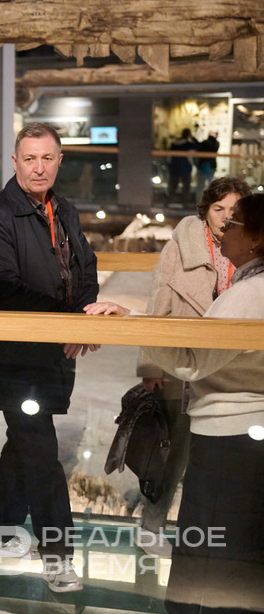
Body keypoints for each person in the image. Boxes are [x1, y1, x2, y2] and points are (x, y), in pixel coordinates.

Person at [88, 194, 264, 613]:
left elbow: (191, 359)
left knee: (210, 546)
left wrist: (130, 323)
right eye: (221, 215)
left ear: (256, 238)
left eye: (235, 222)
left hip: (227, 433)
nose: (225, 228)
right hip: (249, 431)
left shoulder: (247, 294)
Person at [0, 122, 99, 593]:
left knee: (24, 446)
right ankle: (58, 556)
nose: (39, 167)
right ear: (15, 162)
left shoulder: (64, 209)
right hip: (16, 359)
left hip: (53, 358)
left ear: (60, 161)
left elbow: (86, 268)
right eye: (30, 159)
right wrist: (70, 320)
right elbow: (5, 287)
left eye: (47, 158)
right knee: (43, 453)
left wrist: (85, 312)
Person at [135, 176, 250, 555]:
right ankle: (151, 527)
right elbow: (158, 304)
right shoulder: (182, 247)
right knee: (173, 451)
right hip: (180, 364)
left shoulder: (249, 250)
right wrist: (150, 365)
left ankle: (208, 536)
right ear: (206, 211)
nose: (226, 217)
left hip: (230, 368)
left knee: (218, 456)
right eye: (219, 209)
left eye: (234, 210)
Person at [167, 128, 197, 206]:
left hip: (174, 168)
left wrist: (169, 166)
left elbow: (169, 157)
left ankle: (169, 201)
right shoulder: (189, 145)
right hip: (185, 167)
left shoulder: (174, 144)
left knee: (173, 185)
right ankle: (185, 202)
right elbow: (196, 148)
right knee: (186, 186)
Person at [193, 132, 219, 200]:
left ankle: (199, 200)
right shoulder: (216, 143)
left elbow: (198, 147)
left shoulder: (206, 143)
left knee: (201, 185)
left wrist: (193, 139)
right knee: (210, 184)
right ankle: (210, 200)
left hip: (204, 165)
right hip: (212, 165)